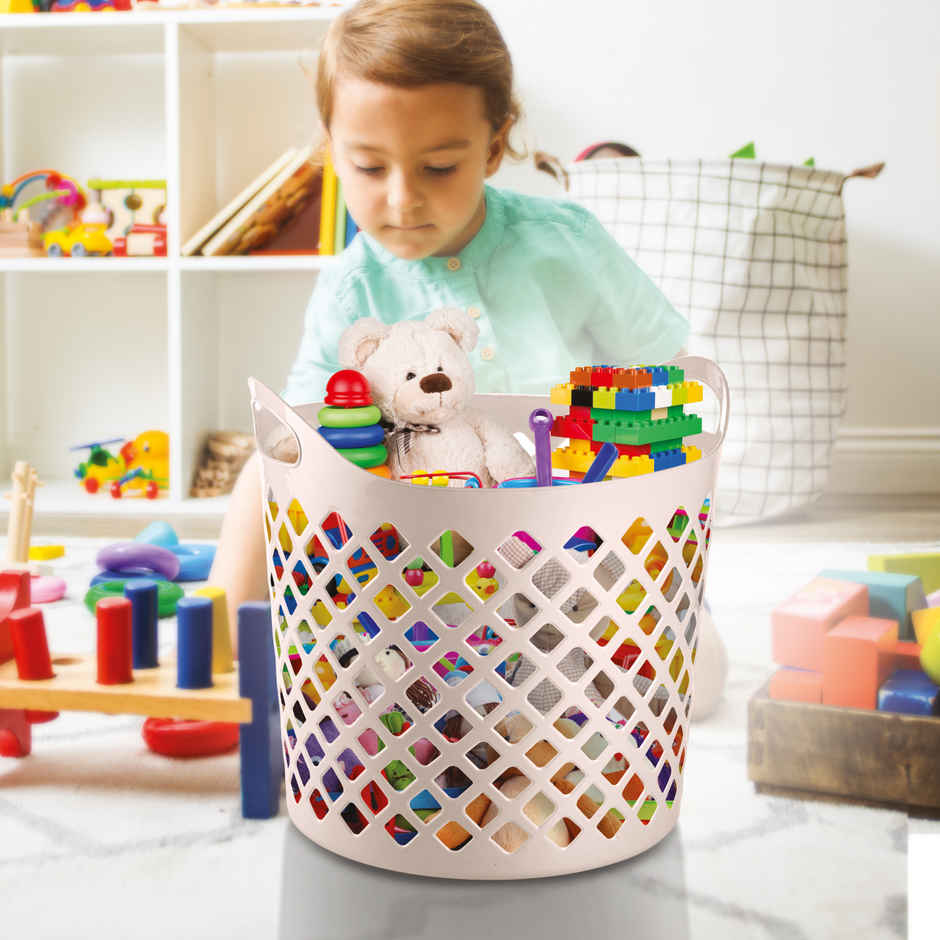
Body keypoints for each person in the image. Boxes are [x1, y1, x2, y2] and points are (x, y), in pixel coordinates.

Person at [210, 0, 689, 647]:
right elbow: (300, 431)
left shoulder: (565, 242)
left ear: (493, 147)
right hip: (419, 566)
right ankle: (218, 652)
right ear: (332, 149)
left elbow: (663, 376)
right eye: (369, 167)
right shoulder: (351, 287)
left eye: (438, 167)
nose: (403, 198)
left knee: (689, 659)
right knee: (262, 467)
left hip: (573, 539)